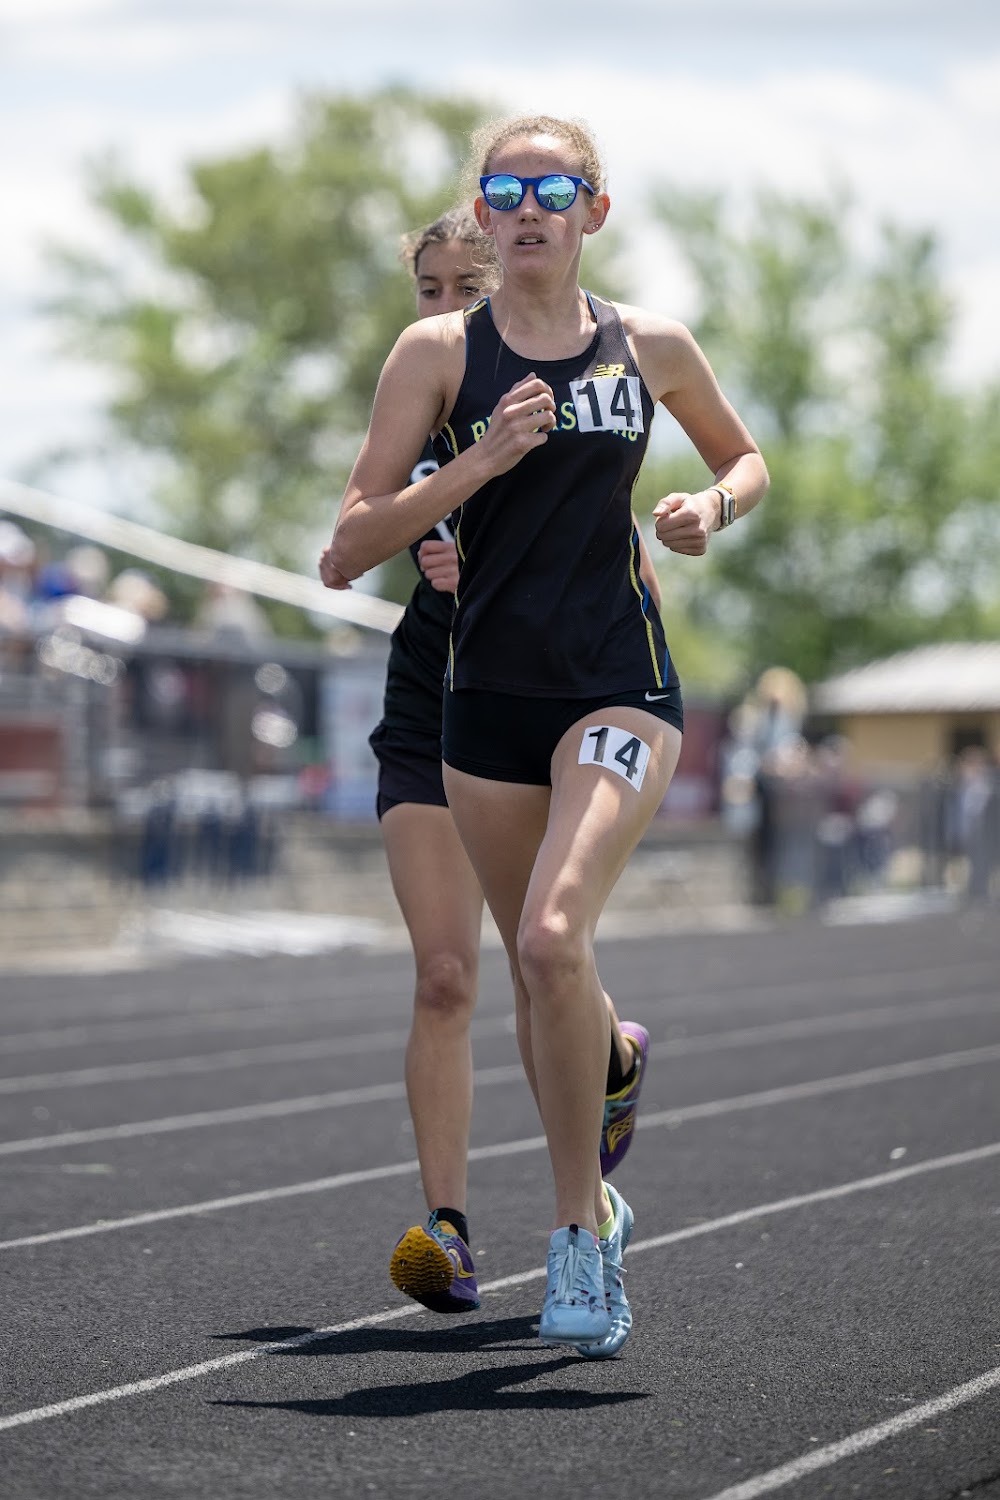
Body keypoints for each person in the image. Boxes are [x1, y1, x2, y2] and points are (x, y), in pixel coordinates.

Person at [322, 114, 769, 1357]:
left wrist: (710, 508)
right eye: (506, 190)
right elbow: (347, 546)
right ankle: (590, 1154)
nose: (529, 209)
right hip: (484, 703)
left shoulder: (649, 344)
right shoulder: (435, 353)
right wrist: (474, 467)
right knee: (532, 976)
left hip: (618, 685)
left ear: (593, 211)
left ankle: (578, 1233)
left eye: (554, 190)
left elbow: (744, 459)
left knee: (550, 935)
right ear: (483, 209)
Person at [362, 206, 660, 1323]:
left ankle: (604, 1086)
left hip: (543, 692)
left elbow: (623, 573)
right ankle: (447, 1228)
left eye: (465, 289)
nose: (445, 309)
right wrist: (434, 516)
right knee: (445, 974)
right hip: (431, 692)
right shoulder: (422, 386)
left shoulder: (571, 393)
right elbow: (348, 540)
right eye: (429, 289)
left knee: (545, 948)